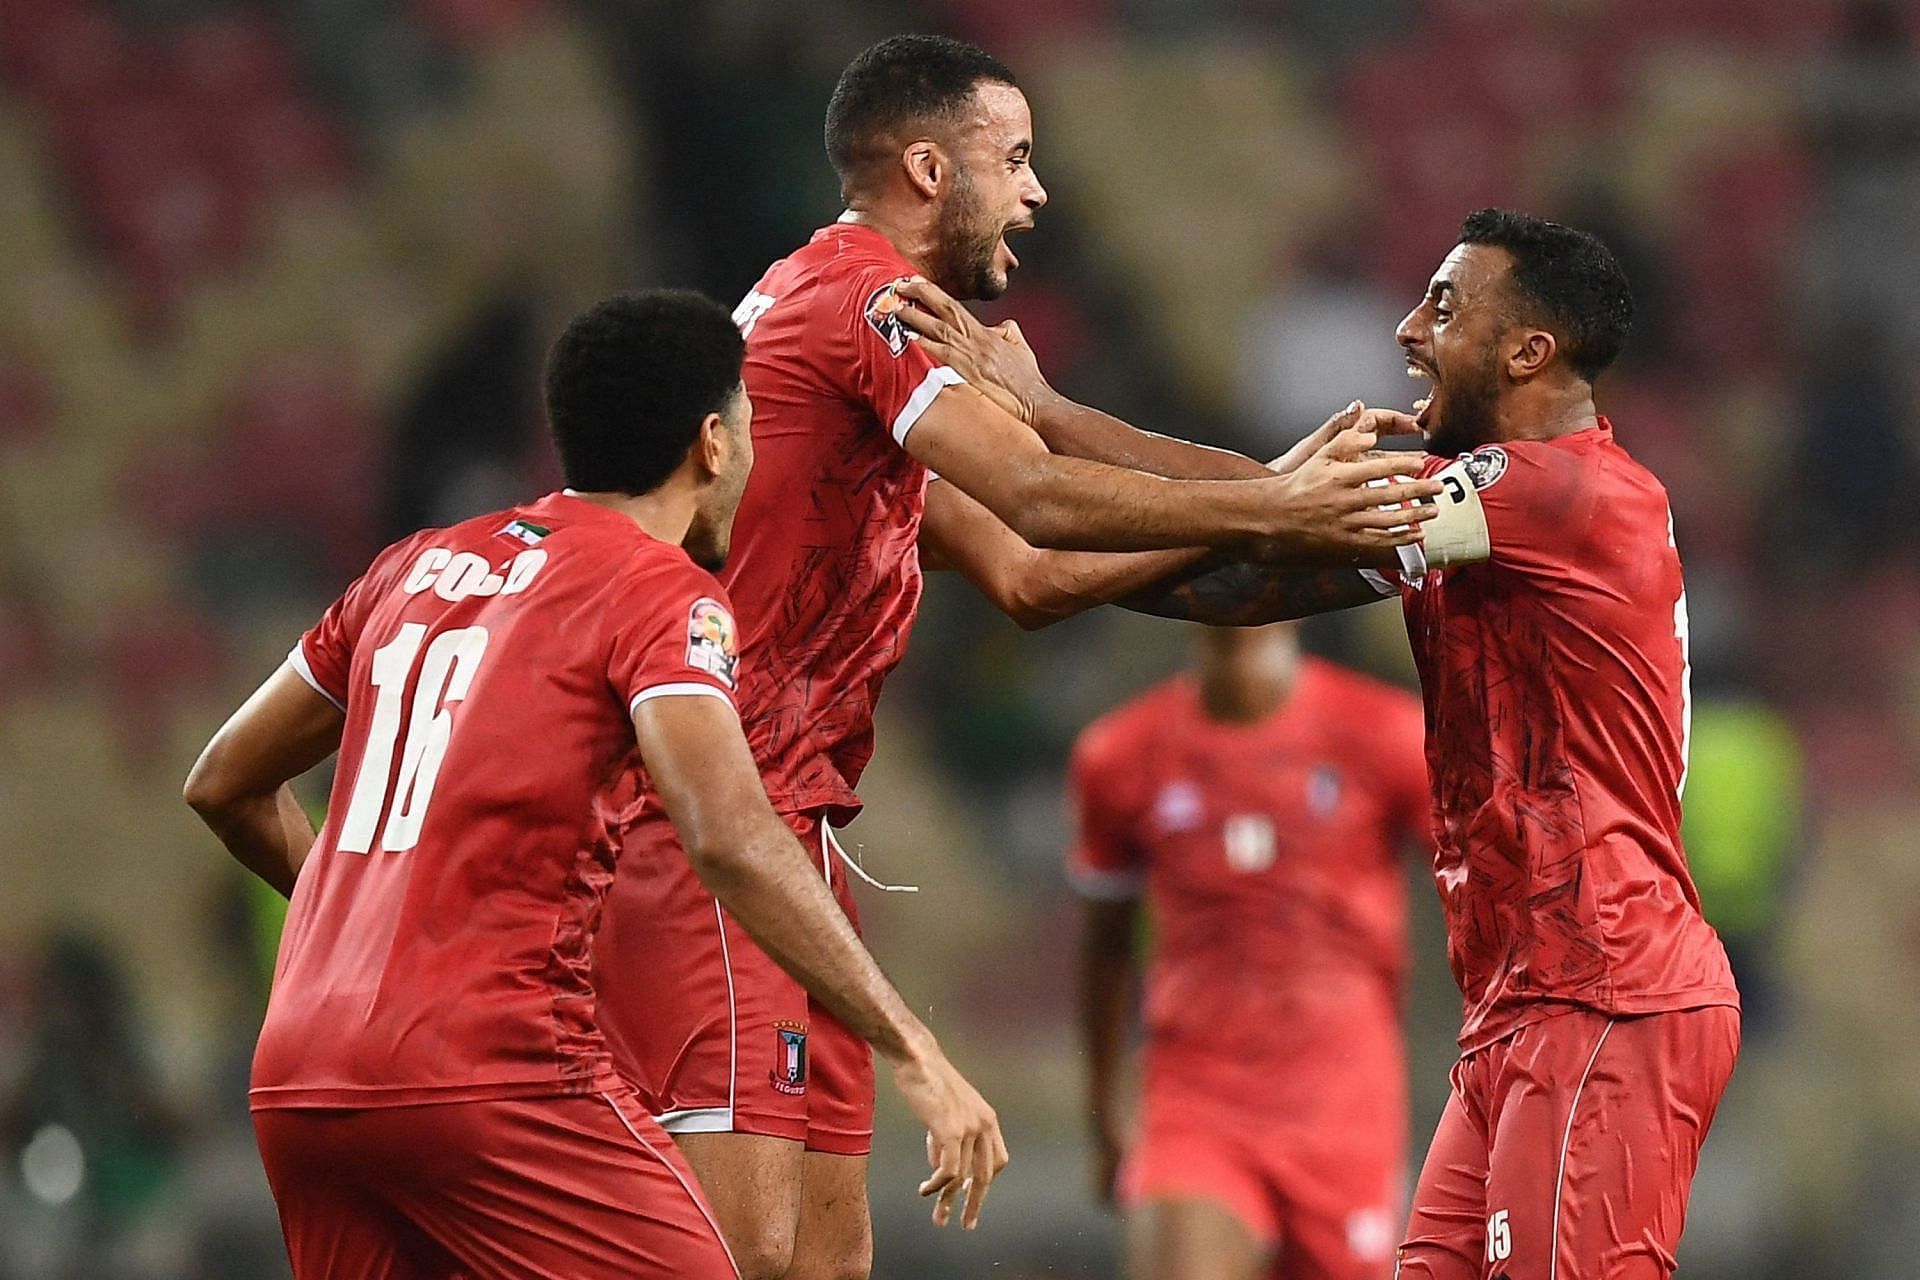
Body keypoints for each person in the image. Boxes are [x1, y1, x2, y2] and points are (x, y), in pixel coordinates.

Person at [592, 34, 1457, 1280]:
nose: (1039, 190)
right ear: (931, 168)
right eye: (1017, 158)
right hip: (711, 842)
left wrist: (1305, 520)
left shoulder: (839, 339)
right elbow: (1045, 501)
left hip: (796, 850)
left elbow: (1031, 576)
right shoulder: (862, 301)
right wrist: (1275, 507)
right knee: (736, 1261)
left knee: (825, 1264)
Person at [182, 291, 1005, 1280]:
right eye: (748, 422)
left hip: (304, 1080)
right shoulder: (661, 594)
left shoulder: (410, 567)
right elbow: (730, 835)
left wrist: (361, 924)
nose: (752, 453)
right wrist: (914, 1048)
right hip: (497, 1071)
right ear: (711, 440)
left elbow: (223, 779)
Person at [1020, 209, 1738, 1279]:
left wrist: (1042, 428)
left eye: (1443, 306)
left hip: (1606, 989)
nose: (1407, 330)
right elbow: (1248, 573)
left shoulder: (1553, 489)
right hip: (1518, 1004)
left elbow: (1265, 522)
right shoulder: (1483, 520)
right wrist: (1028, 527)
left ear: (1527, 350)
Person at [1071, 623, 1430, 1280]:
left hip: (1342, 1098)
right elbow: (1104, 948)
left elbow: (1485, 889)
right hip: (1200, 1094)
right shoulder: (1121, 755)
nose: (1238, 582)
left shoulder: (1386, 734)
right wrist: (1102, 1111)